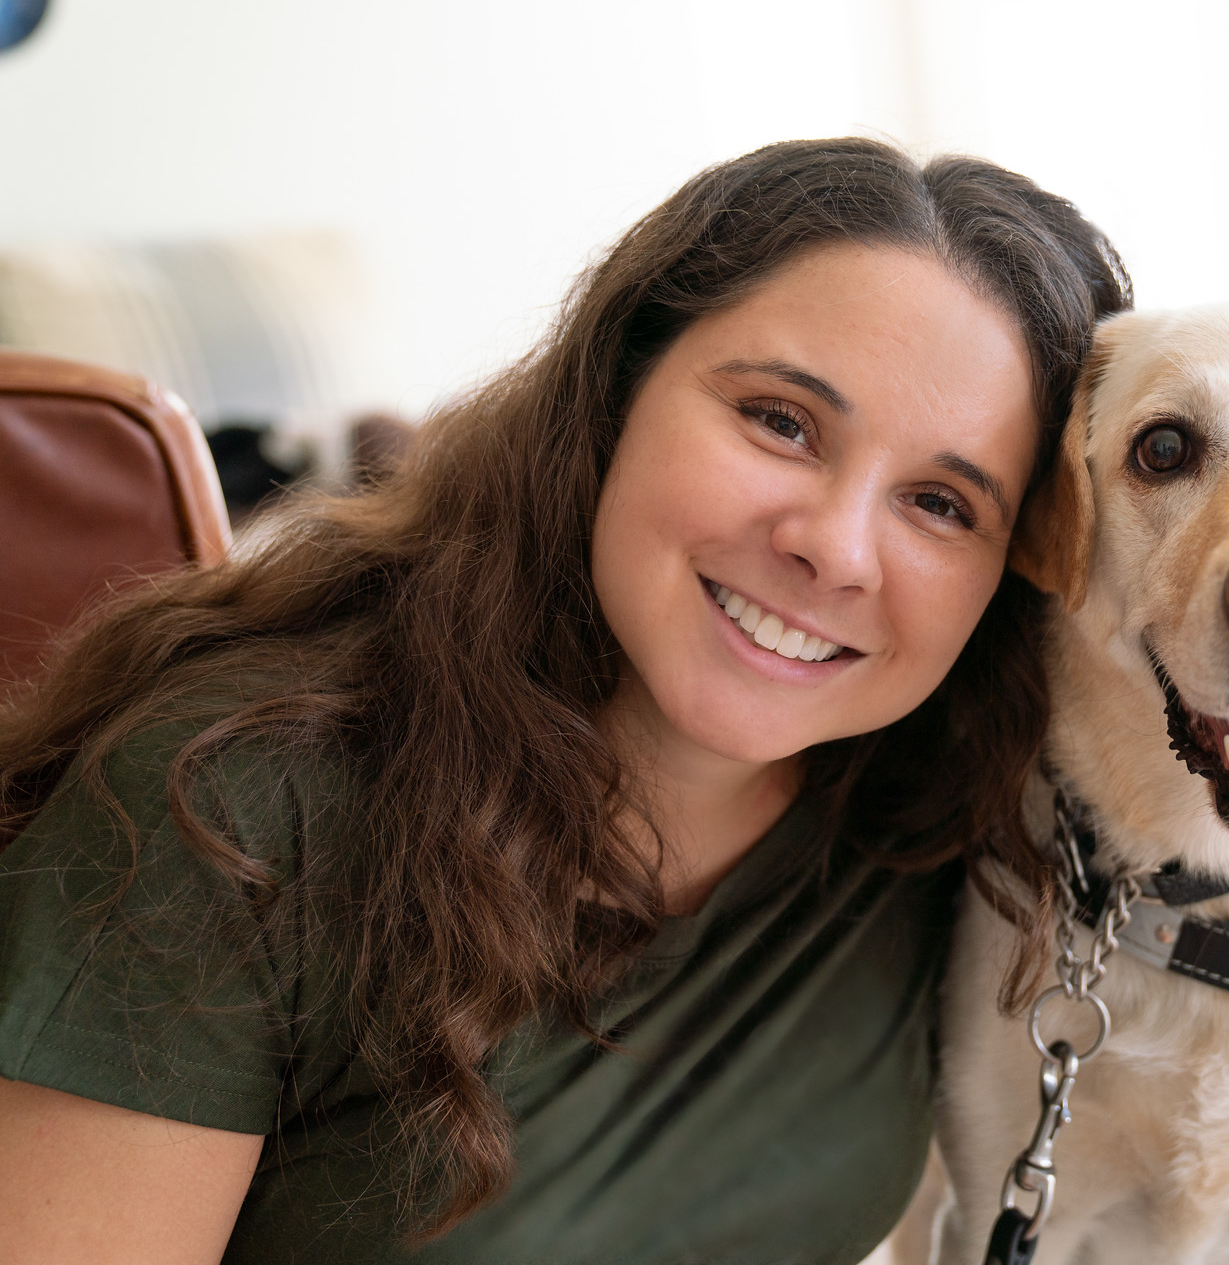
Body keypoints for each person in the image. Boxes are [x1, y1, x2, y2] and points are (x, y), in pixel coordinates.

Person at [0, 138, 1131, 1264]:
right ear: (616, 388)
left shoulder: (959, 813)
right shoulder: (228, 804)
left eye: (940, 503)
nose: (834, 549)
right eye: (780, 421)